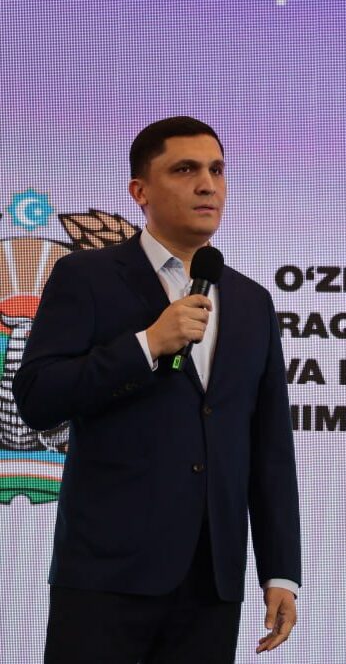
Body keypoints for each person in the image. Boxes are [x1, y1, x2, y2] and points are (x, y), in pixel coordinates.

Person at [13, 116, 301, 663]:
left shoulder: (251, 302)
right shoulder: (86, 276)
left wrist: (280, 571)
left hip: (211, 583)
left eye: (217, 170)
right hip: (106, 576)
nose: (207, 185)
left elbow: (269, 448)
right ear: (139, 191)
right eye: (185, 170)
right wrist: (147, 345)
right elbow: (37, 397)